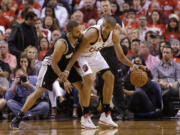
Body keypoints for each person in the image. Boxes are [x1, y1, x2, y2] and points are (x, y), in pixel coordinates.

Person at [62, 16, 139, 128]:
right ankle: (85, 116)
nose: (104, 29)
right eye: (103, 25)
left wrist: (133, 65)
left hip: (93, 54)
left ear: (113, 29)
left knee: (110, 77)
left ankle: (106, 114)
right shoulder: (92, 33)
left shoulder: (115, 36)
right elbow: (77, 52)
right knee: (88, 79)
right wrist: (67, 70)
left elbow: (121, 56)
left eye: (107, 27)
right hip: (81, 55)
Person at [10, 21, 82, 129]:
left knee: (82, 86)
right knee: (38, 92)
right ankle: (19, 117)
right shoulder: (62, 43)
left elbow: (73, 57)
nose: (80, 33)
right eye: (77, 31)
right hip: (50, 64)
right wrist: (65, 80)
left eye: (80, 30)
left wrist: (67, 71)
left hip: (63, 64)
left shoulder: (78, 39)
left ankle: (86, 114)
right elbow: (53, 63)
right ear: (70, 32)